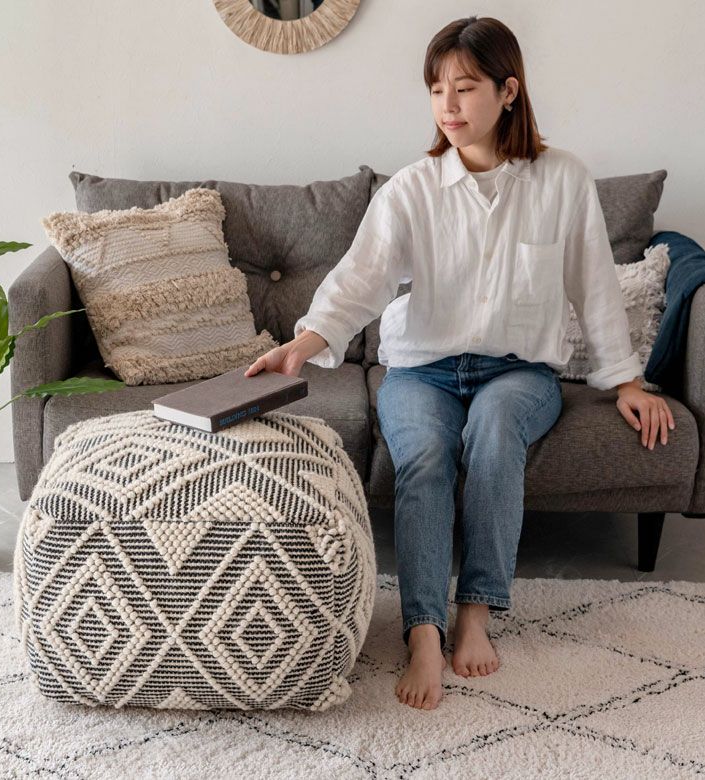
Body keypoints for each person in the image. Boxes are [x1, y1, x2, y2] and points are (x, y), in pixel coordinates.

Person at [243, 15, 676, 711]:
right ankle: (424, 629)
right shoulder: (412, 189)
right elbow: (360, 280)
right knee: (422, 458)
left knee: (496, 434)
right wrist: (304, 343)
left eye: (465, 87)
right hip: (422, 370)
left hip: (518, 374)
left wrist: (626, 380)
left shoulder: (562, 180)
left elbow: (594, 284)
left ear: (509, 91)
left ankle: (475, 611)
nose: (447, 105)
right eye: (436, 89)